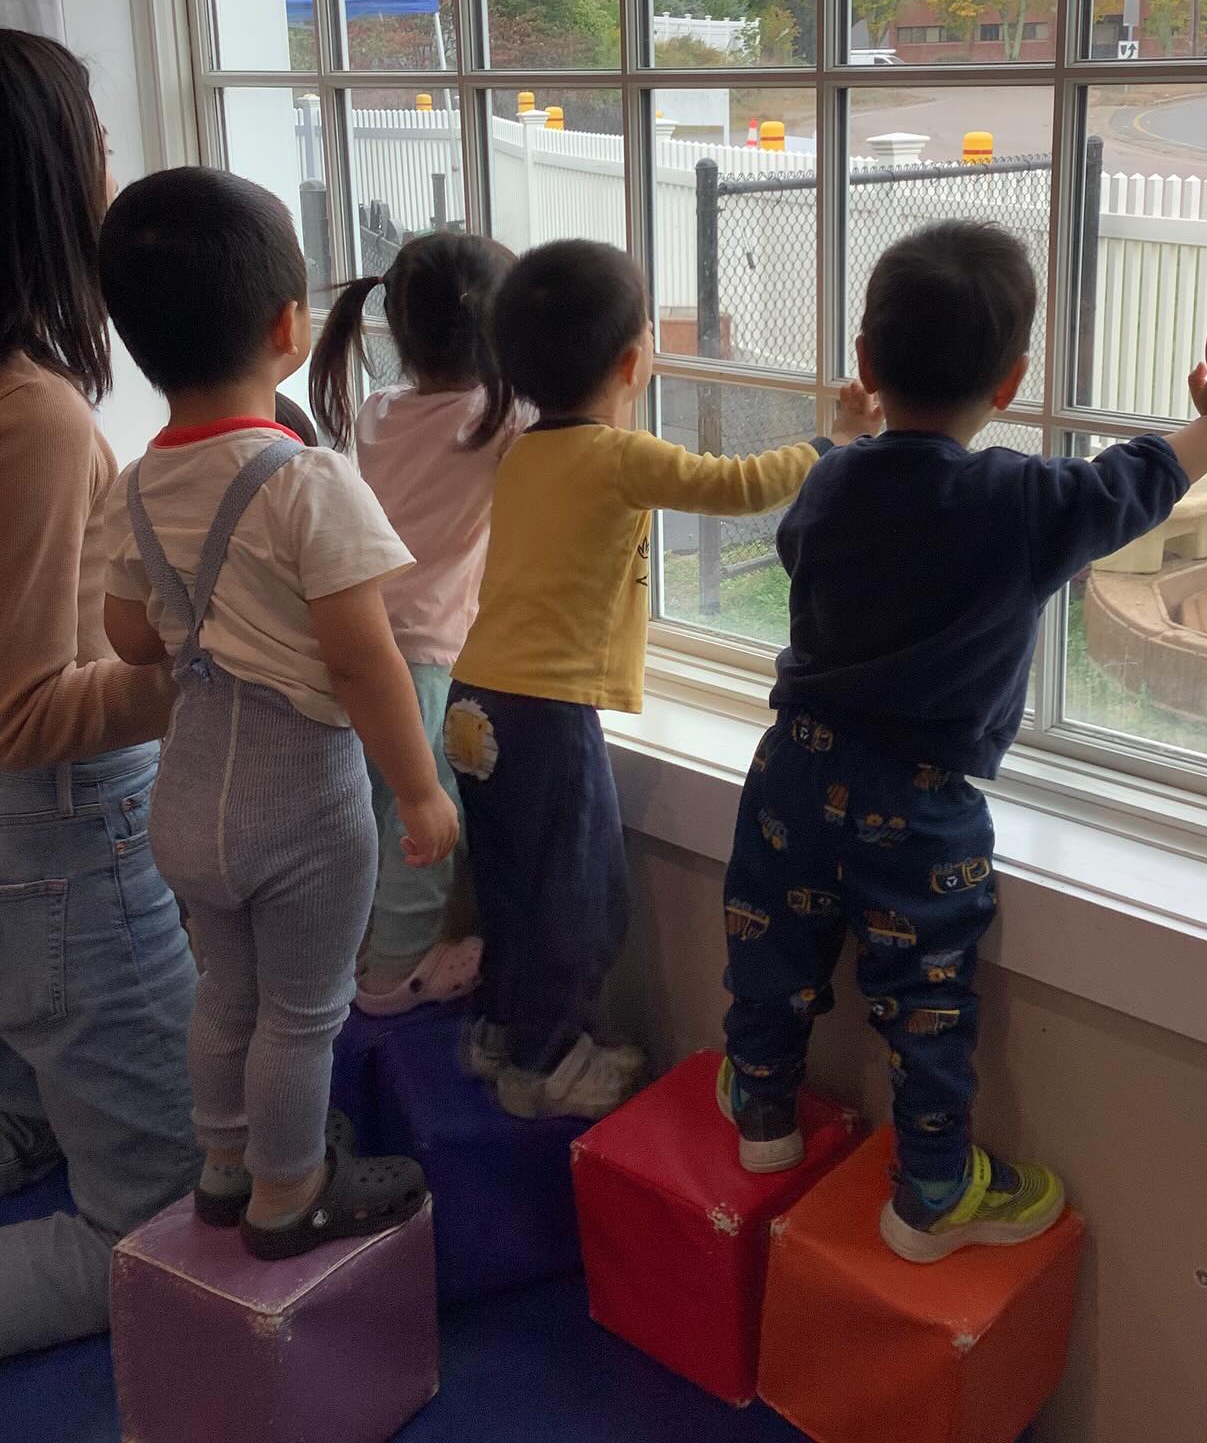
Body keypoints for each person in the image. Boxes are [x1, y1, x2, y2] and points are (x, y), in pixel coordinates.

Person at [717, 221, 1207, 1263]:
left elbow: (810, 543)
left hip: (792, 767)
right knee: (926, 1004)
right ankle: (930, 1196)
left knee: (769, 951)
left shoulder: (830, 477)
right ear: (1015, 379)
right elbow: (1143, 476)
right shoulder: (1022, 501)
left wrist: (846, 436)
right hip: (921, 802)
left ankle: (762, 1115)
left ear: (864, 364)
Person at [98, 167, 460, 1261]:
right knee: (303, 1012)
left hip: (186, 791)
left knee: (226, 997)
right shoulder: (309, 481)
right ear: (286, 327)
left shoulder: (140, 480)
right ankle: (289, 1190)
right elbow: (365, 663)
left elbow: (125, 636)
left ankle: (222, 1165)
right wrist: (418, 787)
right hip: (299, 802)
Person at [444, 239, 880, 1123]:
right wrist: (836, 443)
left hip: (475, 700)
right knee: (579, 893)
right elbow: (739, 485)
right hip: (542, 709)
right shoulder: (616, 454)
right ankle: (549, 1065)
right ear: (634, 361)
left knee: (510, 880)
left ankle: (499, 1032)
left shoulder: (523, 451)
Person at [0, 28, 198, 1356]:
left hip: (32, 871)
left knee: (35, 1105)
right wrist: (202, 667)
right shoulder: (32, 417)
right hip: (67, 851)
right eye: (99, 151)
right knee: (173, 1221)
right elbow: (19, 714)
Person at [310, 233, 521, 1017]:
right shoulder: (502, 419)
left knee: (364, 809)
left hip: (348, 639)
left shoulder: (374, 412)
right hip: (427, 657)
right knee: (425, 816)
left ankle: (357, 952)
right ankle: (394, 976)